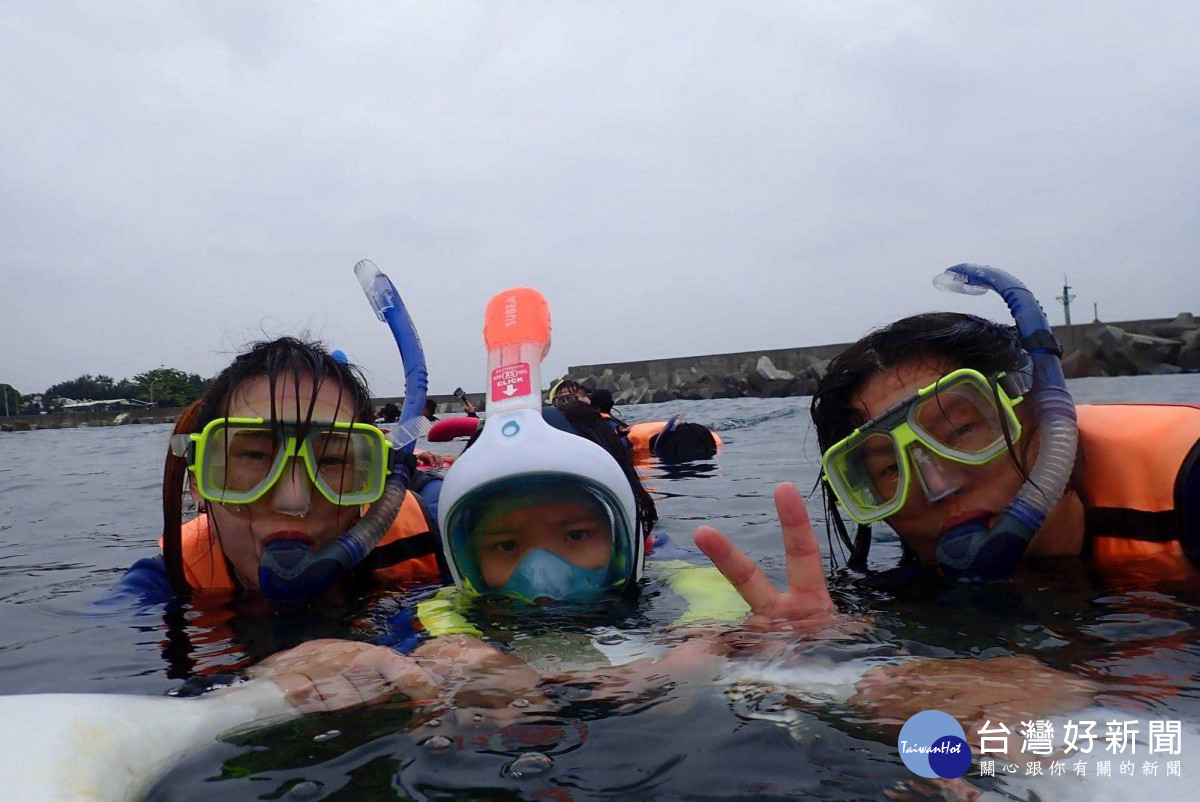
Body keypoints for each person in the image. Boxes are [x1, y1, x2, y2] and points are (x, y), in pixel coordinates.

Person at [807, 264, 1200, 581]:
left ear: (1040, 409)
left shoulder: (1191, 483)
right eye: (890, 469)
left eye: (961, 430)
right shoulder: (903, 595)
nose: (939, 486)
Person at [115, 337, 448, 605]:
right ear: (198, 480)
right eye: (256, 456)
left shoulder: (440, 533)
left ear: (373, 479)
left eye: (332, 460)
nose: (294, 501)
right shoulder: (166, 583)